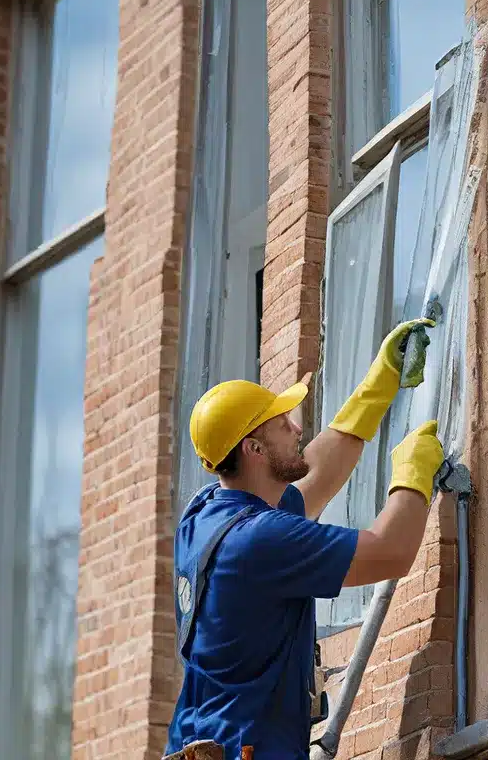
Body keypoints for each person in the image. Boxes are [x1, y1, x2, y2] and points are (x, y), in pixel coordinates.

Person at [164, 318, 445, 760]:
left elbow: (312, 475)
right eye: (281, 426)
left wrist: (381, 382)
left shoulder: (206, 516)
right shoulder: (259, 542)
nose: (297, 429)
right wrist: (412, 474)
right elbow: (390, 552)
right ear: (254, 451)